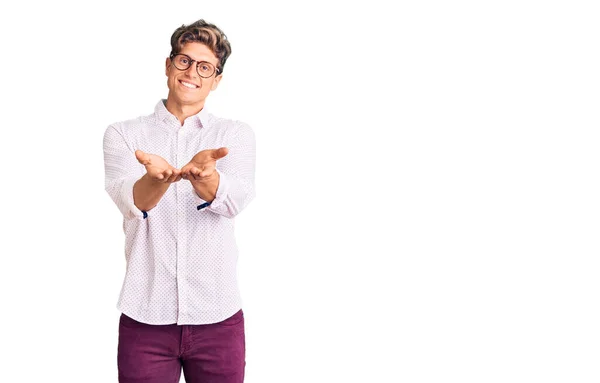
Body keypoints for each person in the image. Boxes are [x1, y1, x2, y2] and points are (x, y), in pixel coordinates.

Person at [103, 19, 255, 383]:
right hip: (146, 317)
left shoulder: (234, 136)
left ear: (216, 79)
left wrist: (208, 178)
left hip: (217, 317)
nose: (192, 73)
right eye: (185, 61)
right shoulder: (124, 134)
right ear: (168, 65)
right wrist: (156, 180)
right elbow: (131, 201)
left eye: (205, 67)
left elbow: (233, 202)